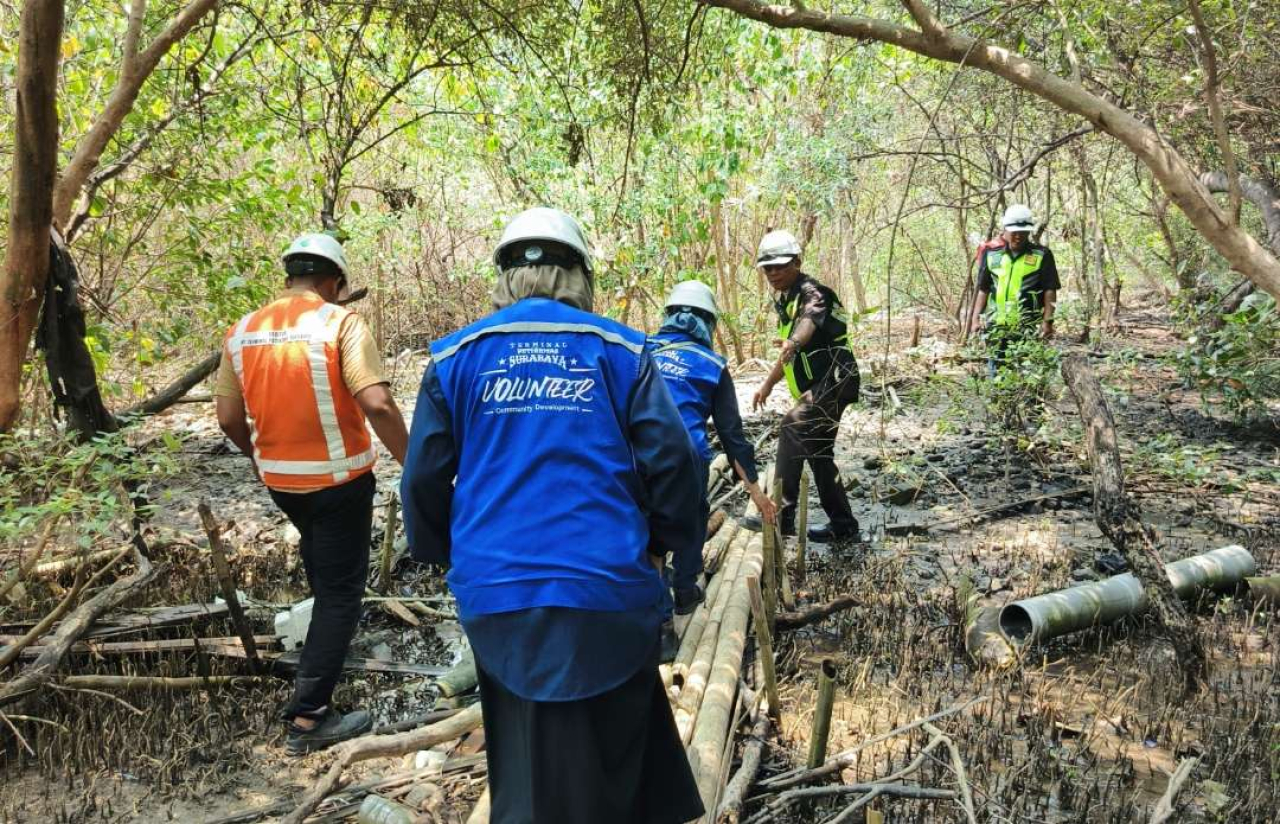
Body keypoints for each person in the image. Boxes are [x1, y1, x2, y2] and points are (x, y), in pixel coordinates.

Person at [400, 208, 705, 824]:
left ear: (505, 278)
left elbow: (423, 477)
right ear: (579, 276)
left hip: (499, 596)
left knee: (524, 751)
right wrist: (671, 555)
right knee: (620, 747)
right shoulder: (620, 350)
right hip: (609, 588)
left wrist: (448, 556)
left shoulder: (456, 356)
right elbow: (675, 463)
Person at [214, 232, 409, 755]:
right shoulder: (340, 322)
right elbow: (379, 405)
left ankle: (316, 668)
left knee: (325, 569)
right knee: (341, 595)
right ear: (335, 283)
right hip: (340, 483)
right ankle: (309, 718)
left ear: (288, 278)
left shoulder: (242, 331)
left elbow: (228, 417)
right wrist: (414, 465)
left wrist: (259, 459)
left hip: (282, 484)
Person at [647, 280, 776, 658]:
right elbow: (732, 437)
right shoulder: (712, 365)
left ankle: (660, 628)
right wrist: (756, 493)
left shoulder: (639, 351)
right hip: (684, 460)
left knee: (645, 542)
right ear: (709, 323)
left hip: (632, 458)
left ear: (668, 316)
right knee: (692, 518)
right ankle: (685, 592)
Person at [748, 229, 861, 543]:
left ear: (797, 262)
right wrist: (768, 385)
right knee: (819, 453)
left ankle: (782, 518)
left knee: (793, 426)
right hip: (822, 384)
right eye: (767, 268)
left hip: (835, 381)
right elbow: (789, 351)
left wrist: (794, 342)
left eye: (780, 266)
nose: (773, 273)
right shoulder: (785, 301)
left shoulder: (814, 293)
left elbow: (806, 327)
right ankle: (844, 525)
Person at [967, 204, 1060, 362]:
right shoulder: (991, 255)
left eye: (1023, 233)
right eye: (1014, 232)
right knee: (996, 372)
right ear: (1005, 230)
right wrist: (975, 319)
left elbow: (1050, 291)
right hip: (995, 325)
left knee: (1026, 374)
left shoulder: (1041, 255)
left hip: (1028, 327)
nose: (1018, 236)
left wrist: (1047, 322)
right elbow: (983, 290)